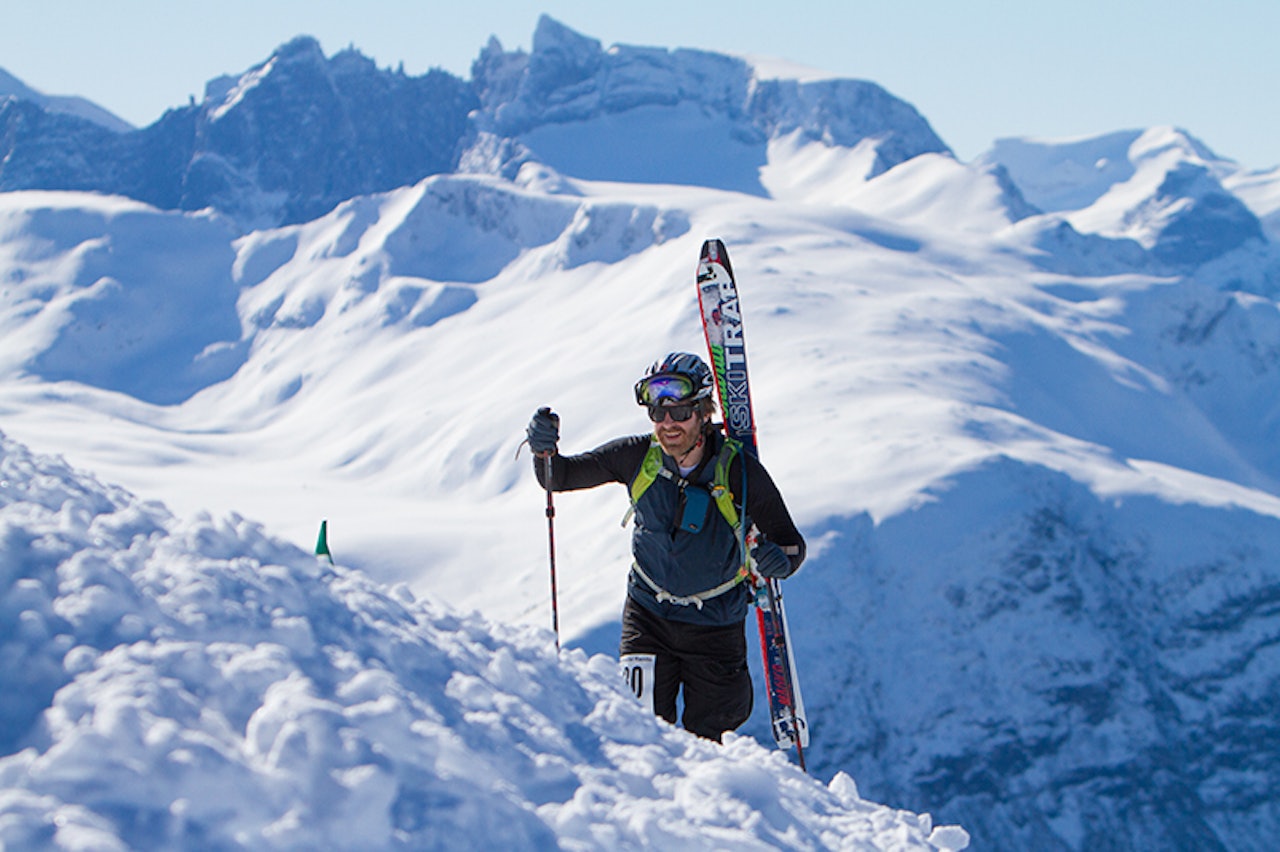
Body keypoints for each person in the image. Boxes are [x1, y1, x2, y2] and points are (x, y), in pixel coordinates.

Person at [526, 352, 805, 742]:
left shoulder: (740, 472)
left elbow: (790, 545)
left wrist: (780, 563)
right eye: (658, 413)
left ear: (703, 412)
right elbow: (560, 477)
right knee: (638, 733)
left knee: (711, 742)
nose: (668, 423)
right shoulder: (637, 456)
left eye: (680, 412)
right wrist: (543, 452)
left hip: (716, 627)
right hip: (648, 616)